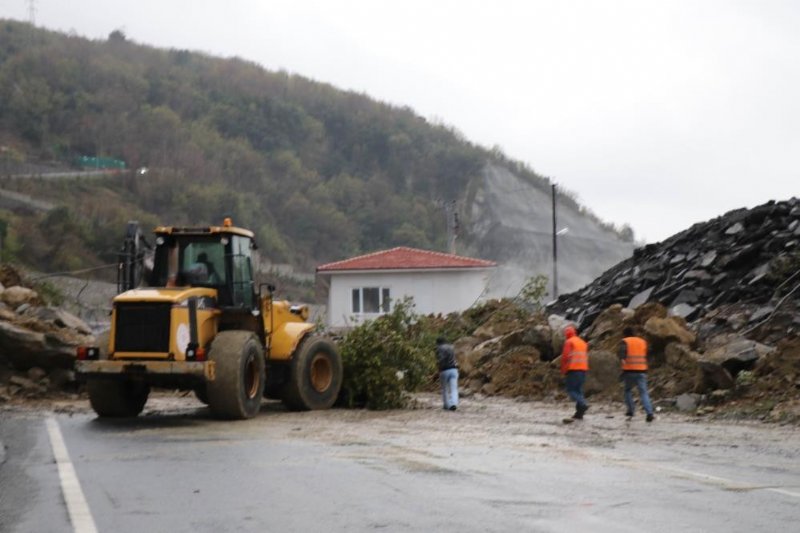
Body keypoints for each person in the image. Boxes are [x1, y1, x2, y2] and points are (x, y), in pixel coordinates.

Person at [619, 326, 655, 422]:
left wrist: (622, 367)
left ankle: (631, 410)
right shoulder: (642, 341)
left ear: (625, 334)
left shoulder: (625, 341)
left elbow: (622, 355)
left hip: (629, 371)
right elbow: (646, 354)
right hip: (642, 370)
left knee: (627, 390)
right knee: (643, 392)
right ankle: (649, 413)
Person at [560, 324, 589, 420]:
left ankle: (583, 404)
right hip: (583, 369)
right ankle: (579, 413)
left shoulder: (569, 342)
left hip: (573, 369)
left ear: (567, 334)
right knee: (579, 390)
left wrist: (564, 370)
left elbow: (565, 357)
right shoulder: (582, 342)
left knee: (571, 390)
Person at [435, 336, 459, 411]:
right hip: (454, 369)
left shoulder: (439, 348)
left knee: (445, 389)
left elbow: (441, 359)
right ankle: (454, 403)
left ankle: (446, 405)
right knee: (454, 389)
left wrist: (438, 368)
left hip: (444, 370)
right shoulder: (451, 347)